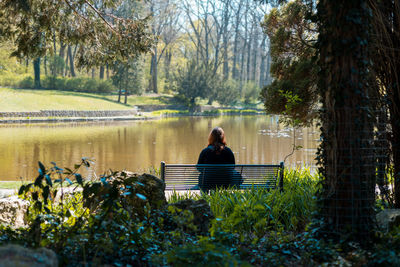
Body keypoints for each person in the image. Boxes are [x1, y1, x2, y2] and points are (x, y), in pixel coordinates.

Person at [197, 127, 240, 191]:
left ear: (211, 138)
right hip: (225, 183)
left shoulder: (205, 151)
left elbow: (199, 168)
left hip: (207, 182)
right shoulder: (228, 151)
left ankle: (204, 198)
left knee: (203, 177)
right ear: (222, 137)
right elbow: (232, 167)